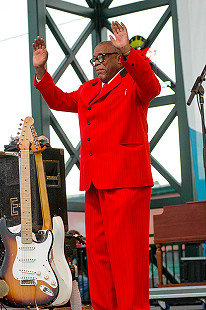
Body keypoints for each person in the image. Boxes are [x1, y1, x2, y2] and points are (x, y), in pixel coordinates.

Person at [32, 21, 161, 310]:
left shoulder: (134, 83)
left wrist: (129, 48)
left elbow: (152, 85)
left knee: (128, 259)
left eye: (103, 57)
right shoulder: (88, 90)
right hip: (94, 183)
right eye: (94, 59)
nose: (97, 63)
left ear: (119, 58)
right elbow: (58, 100)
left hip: (127, 181)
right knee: (100, 259)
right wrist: (41, 71)